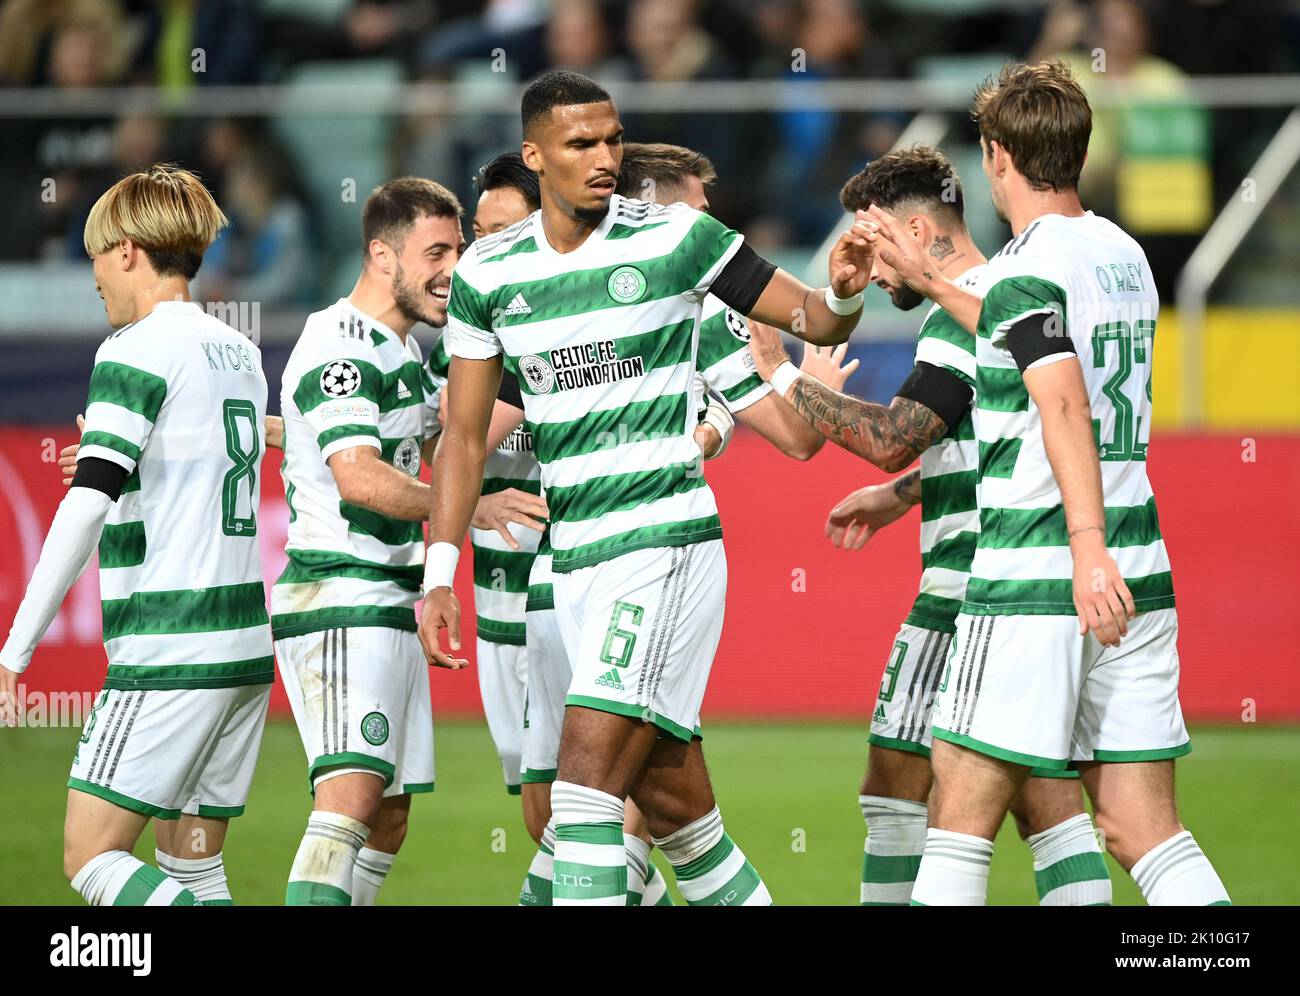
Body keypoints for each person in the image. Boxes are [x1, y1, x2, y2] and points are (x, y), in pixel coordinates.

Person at [420, 69, 873, 906]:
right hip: (570, 567)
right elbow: (463, 440)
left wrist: (843, 289)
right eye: (580, 143)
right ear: (534, 155)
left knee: (585, 795)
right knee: (675, 812)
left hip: (663, 547)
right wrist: (439, 573)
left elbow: (811, 314)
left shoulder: (675, 240)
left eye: (612, 139)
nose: (603, 156)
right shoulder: (488, 276)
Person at [865, 61, 1229, 906]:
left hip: (1042, 566)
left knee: (957, 804)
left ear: (996, 157)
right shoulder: (1123, 252)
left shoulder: (1029, 265)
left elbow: (1059, 399)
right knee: (1141, 826)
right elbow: (1025, 337)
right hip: (1138, 566)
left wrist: (1083, 548)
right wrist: (929, 284)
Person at [746, 145, 1111, 906]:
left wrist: (778, 371)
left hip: (972, 587)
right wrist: (908, 495)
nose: (871, 273)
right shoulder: (1015, 296)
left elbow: (887, 437)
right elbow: (1007, 436)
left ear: (916, 230)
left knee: (911, 794)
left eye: (872, 248)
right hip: (1021, 577)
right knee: (1038, 796)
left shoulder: (958, 315)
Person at [515, 140, 858, 906]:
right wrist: (786, 379)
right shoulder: (683, 306)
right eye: (699, 210)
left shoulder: (572, 290)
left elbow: (482, 420)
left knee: (611, 808)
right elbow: (798, 435)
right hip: (583, 573)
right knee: (611, 810)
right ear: (652, 205)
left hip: (600, 571)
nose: (713, 228)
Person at [0, 164, 269, 906]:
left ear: (126, 249)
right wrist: (113, 477)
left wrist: (14, 649)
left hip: (170, 645)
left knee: (90, 857)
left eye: (94, 253)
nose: (92, 275)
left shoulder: (131, 349)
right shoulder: (238, 351)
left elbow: (85, 509)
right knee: (190, 866)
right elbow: (179, 475)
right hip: (243, 645)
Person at [273, 177, 473, 906]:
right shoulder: (341, 344)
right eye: (437, 251)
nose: (453, 268)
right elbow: (357, 478)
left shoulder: (402, 353)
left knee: (388, 817)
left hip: (390, 597)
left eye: (460, 249)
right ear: (381, 255)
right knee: (351, 801)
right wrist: (467, 506)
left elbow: (315, 433)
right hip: (341, 593)